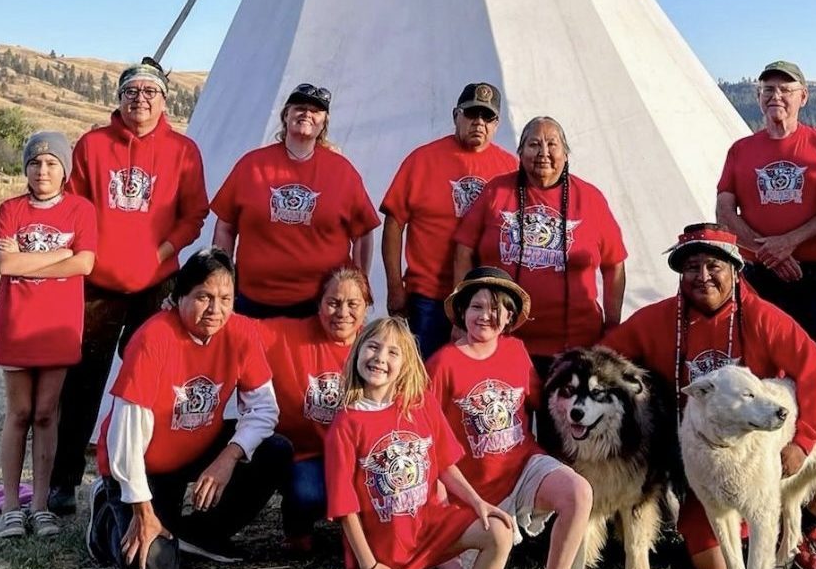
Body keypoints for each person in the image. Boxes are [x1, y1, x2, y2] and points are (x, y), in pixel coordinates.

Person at [602, 223, 816, 569]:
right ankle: (762, 533)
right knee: (712, 567)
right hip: (709, 459)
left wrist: (803, 443)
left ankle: (799, 531)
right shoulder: (660, 319)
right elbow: (604, 359)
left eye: (714, 266)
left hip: (764, 451)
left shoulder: (763, 318)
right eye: (692, 267)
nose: (703, 277)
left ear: (734, 269)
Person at [50, 57, 209, 515]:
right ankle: (64, 481)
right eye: (131, 92)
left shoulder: (183, 151)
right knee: (83, 381)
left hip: (158, 281)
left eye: (150, 92)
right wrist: (89, 253)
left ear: (165, 101)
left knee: (155, 378)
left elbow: (194, 213)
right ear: (118, 99)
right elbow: (74, 205)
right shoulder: (93, 145)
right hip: (99, 282)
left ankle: (151, 471)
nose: (140, 100)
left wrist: (160, 254)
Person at [85, 248, 292, 569]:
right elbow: (125, 435)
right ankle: (107, 519)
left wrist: (228, 457)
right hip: (142, 463)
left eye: (225, 298)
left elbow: (265, 409)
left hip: (195, 449)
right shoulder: (153, 338)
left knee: (275, 450)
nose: (215, 309)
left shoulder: (241, 333)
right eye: (203, 297)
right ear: (178, 296)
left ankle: (201, 534)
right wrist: (142, 509)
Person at [325, 315, 514, 569]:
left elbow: (444, 464)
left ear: (407, 363)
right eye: (373, 347)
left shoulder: (420, 403)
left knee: (499, 532)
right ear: (357, 353)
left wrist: (477, 502)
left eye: (393, 352)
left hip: (429, 525)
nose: (380, 358)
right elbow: (345, 508)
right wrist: (368, 567)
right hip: (382, 547)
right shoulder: (346, 424)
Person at [428, 267, 597, 569]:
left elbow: (541, 403)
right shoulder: (443, 363)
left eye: (496, 308)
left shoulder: (516, 350)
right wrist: (438, 493)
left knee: (578, 491)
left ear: (508, 318)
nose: (485, 315)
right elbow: (424, 434)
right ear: (462, 312)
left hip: (521, 467)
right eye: (476, 306)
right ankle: (441, 552)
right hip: (472, 490)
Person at [452, 116, 627, 374]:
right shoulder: (496, 192)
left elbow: (615, 264)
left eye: (552, 144)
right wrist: (461, 315)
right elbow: (463, 251)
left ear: (565, 154)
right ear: (520, 152)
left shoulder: (590, 198)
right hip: (501, 339)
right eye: (534, 144)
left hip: (575, 346)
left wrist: (613, 325)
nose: (543, 153)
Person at [716, 60, 816, 374]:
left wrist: (789, 243)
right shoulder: (741, 150)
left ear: (803, 97)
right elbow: (724, 211)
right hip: (759, 276)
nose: (775, 96)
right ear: (758, 97)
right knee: (760, 366)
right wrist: (770, 253)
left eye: (785, 89)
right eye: (768, 89)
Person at [0, 131, 97, 540]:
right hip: (18, 321)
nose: (43, 170)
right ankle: (11, 506)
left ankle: (40, 504)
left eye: (52, 163)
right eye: (35, 163)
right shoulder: (11, 209)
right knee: (19, 413)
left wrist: (25, 261)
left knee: (47, 412)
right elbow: (3, 264)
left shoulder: (79, 211)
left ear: (65, 170)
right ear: (26, 169)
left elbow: (84, 264)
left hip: (58, 323)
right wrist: (60, 256)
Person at [212, 83, 380, 318]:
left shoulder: (342, 171)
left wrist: (359, 289)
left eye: (316, 110)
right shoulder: (251, 165)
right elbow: (225, 226)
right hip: (253, 300)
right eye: (299, 107)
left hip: (321, 305)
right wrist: (222, 280)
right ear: (285, 115)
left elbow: (363, 232)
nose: (307, 114)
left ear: (324, 123)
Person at [381, 81, 517, 360]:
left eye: (487, 116)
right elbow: (394, 222)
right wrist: (395, 286)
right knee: (422, 376)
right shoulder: (423, 159)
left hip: (486, 298)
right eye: (471, 114)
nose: (478, 122)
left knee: (476, 380)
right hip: (429, 295)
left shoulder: (510, 168)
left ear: (497, 123)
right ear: (456, 115)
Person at [258, 265, 372, 552]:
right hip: (307, 455)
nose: (342, 312)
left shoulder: (377, 345)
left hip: (359, 459)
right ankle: (298, 529)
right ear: (319, 305)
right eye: (333, 303)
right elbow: (236, 329)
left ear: (367, 308)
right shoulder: (288, 334)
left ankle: (365, 534)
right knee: (306, 493)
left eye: (352, 304)